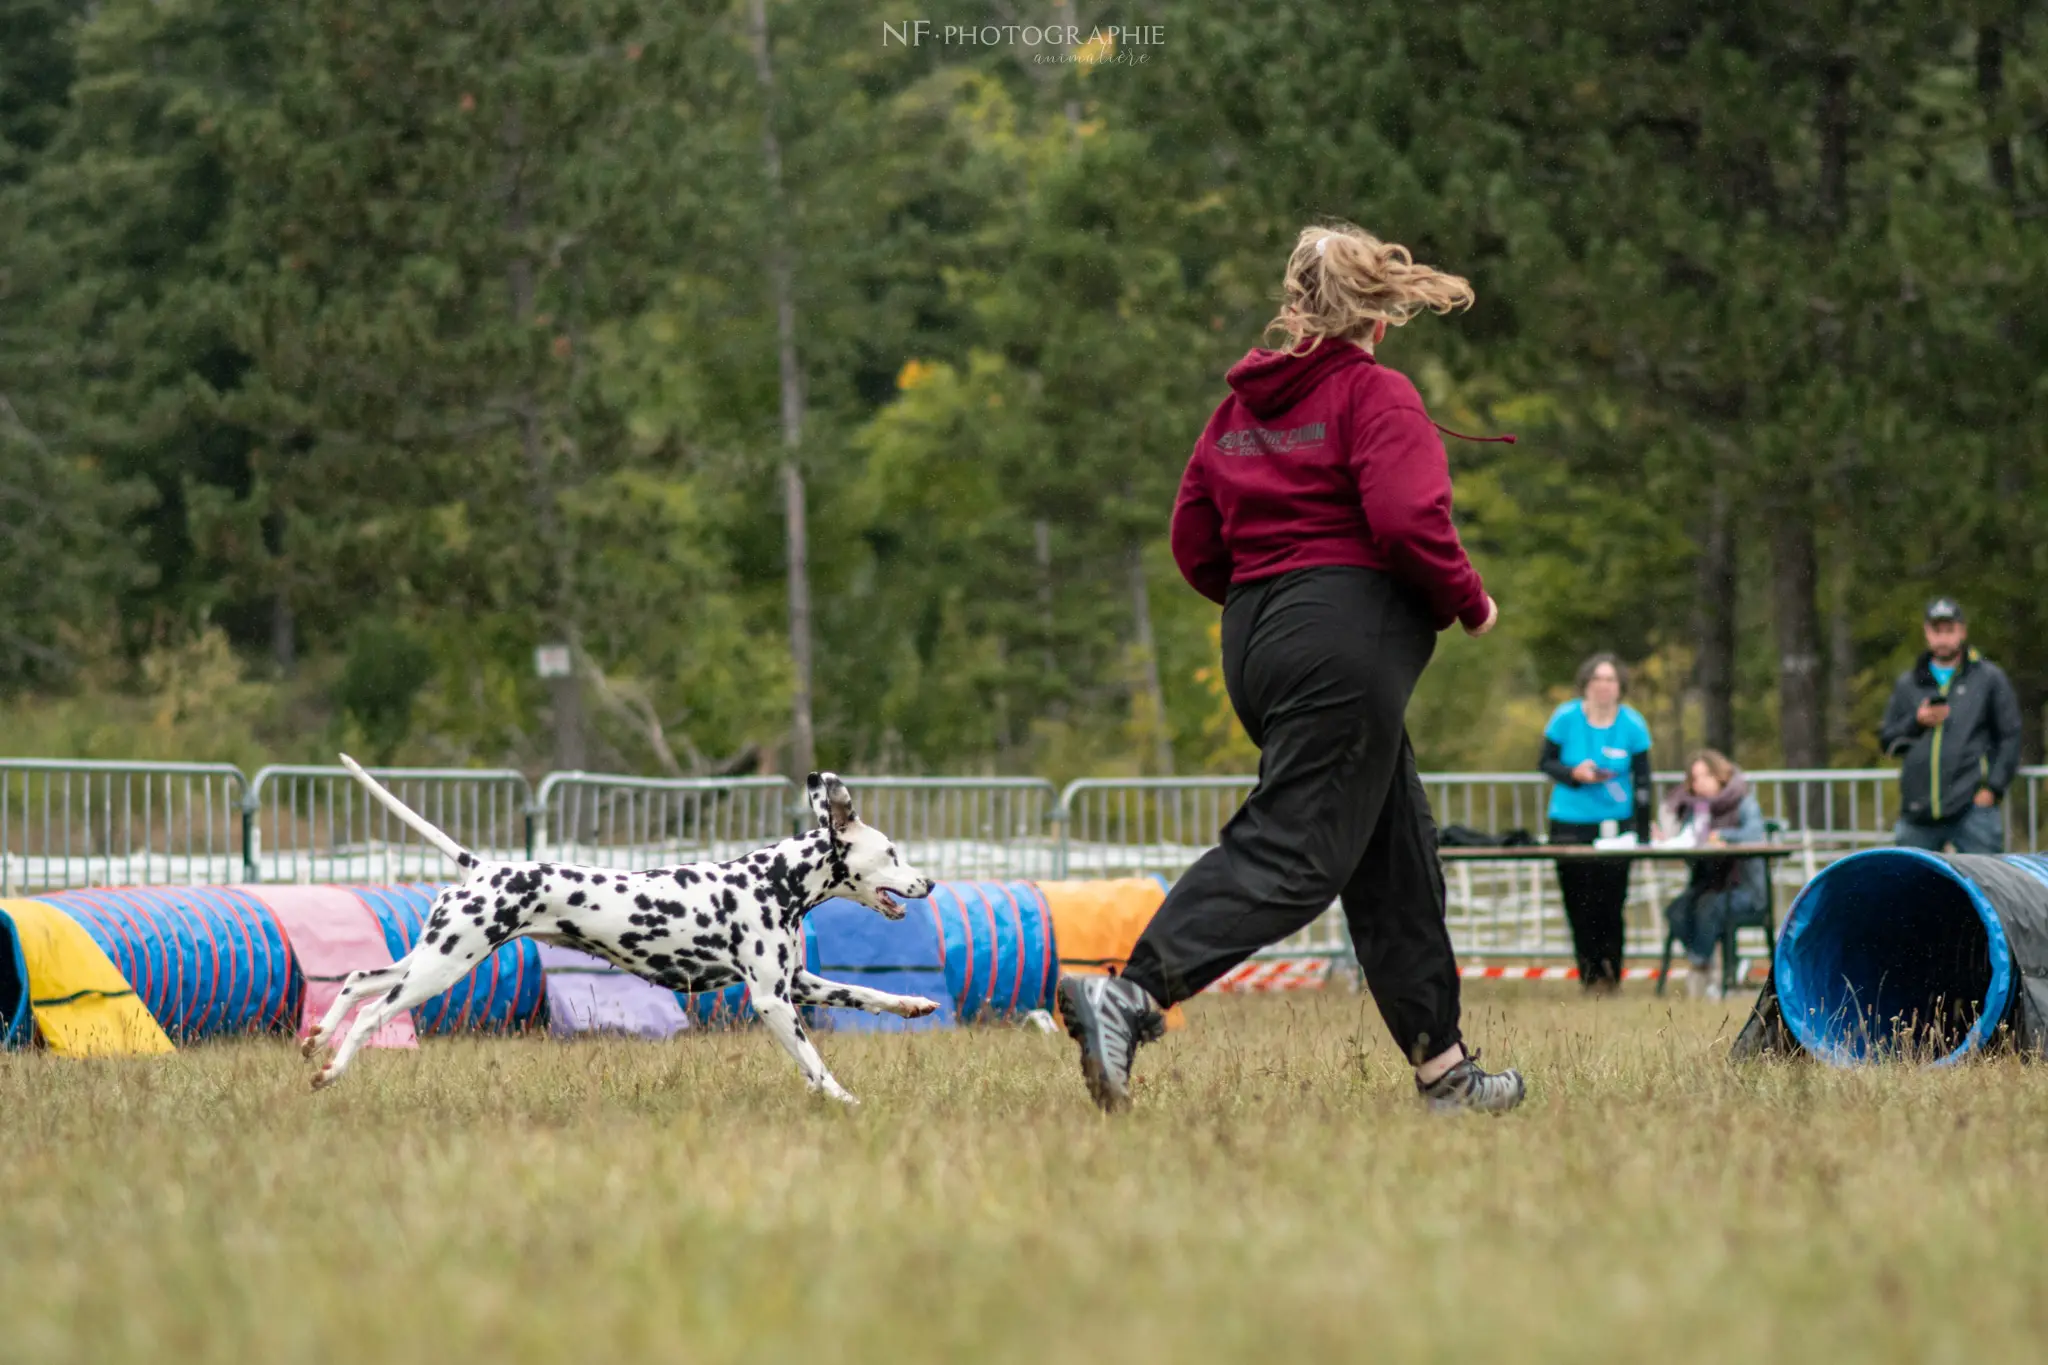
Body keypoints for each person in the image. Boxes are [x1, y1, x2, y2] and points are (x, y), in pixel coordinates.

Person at [1054, 222, 1526, 1115]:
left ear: (1297, 307)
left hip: (1258, 638)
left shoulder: (1236, 412)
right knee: (1299, 848)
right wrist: (1470, 599)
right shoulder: (1376, 394)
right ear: (1378, 317)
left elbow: (1193, 542)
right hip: (1343, 636)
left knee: (1394, 853)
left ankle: (1447, 1071)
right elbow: (1404, 520)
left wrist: (1273, 598)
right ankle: (1134, 993)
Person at [1538, 654, 1652, 992]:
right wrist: (1573, 774)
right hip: (1569, 820)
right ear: (1586, 684)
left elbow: (1644, 779)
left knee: (1611, 900)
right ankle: (1588, 975)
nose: (1604, 686)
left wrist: (1644, 830)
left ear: (1620, 687)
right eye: (1597, 679)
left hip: (1616, 822)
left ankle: (1611, 974)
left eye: (1611, 680)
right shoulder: (1565, 717)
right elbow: (1544, 762)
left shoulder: (1632, 724)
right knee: (1578, 900)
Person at [1879, 597, 2022, 855]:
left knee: (1984, 888)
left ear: (1962, 632)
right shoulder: (1909, 683)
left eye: (1949, 630)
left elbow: (2010, 735)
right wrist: (1916, 722)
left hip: (1971, 811)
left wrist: (1993, 789)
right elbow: (1887, 741)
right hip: (1917, 815)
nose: (1943, 638)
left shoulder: (1988, 678)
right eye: (1937, 630)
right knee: (1912, 889)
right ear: (1927, 633)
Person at [1657, 749, 1767, 999]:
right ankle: (1712, 966)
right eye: (1695, 778)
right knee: (1677, 910)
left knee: (1709, 907)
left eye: (1706, 775)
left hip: (1745, 889)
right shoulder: (1694, 810)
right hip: (1707, 886)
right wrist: (1671, 841)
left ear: (1720, 775)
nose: (1701, 783)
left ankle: (1706, 968)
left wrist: (1722, 837)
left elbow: (1754, 835)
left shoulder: (1744, 803)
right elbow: (1688, 842)